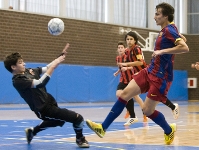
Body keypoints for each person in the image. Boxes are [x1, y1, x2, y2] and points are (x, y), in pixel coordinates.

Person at [86, 2, 189, 145]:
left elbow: (185, 47)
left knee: (147, 110)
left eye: (157, 14)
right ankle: (102, 128)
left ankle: (168, 129)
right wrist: (179, 37)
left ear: (166, 16)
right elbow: (183, 39)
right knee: (124, 94)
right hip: (149, 71)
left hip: (161, 77)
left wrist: (162, 51)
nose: (154, 17)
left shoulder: (168, 30)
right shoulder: (168, 29)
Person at [3, 43, 89, 148]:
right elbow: (40, 83)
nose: (24, 64)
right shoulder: (18, 81)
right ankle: (80, 139)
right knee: (78, 118)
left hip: (49, 100)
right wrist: (53, 66)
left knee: (58, 121)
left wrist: (59, 58)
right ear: (13, 67)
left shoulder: (28, 71)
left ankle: (32, 132)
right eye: (20, 63)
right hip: (43, 108)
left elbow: (47, 67)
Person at [119, 31, 181, 121]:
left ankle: (137, 113)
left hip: (147, 74)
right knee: (127, 94)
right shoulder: (128, 52)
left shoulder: (137, 48)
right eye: (127, 39)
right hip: (139, 76)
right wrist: (126, 68)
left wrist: (127, 66)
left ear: (135, 40)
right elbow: (133, 65)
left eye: (131, 39)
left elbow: (140, 62)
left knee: (156, 94)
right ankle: (134, 114)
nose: (129, 41)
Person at [113, 41, 147, 126]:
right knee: (119, 94)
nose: (120, 49)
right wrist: (118, 72)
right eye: (119, 48)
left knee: (137, 98)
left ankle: (144, 113)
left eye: (122, 47)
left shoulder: (128, 56)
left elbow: (134, 66)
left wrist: (127, 68)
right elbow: (121, 68)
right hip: (123, 80)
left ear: (125, 49)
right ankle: (131, 113)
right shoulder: (117, 58)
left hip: (131, 79)